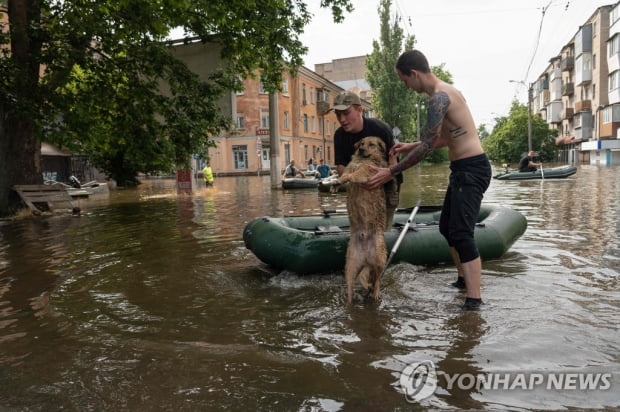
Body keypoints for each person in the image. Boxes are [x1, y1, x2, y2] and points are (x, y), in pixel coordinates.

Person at [367, 49, 492, 310]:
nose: (406, 86)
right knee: (447, 228)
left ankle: (474, 300)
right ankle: (462, 281)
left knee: (461, 233)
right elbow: (446, 138)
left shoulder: (438, 99)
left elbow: (426, 147)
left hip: (472, 169)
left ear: (414, 74)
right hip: (462, 169)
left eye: (404, 80)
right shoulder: (448, 93)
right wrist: (410, 145)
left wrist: (391, 171)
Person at [332, 90, 401, 229]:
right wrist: (354, 178)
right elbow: (340, 165)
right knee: (360, 229)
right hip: (358, 186)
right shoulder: (339, 135)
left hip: (386, 186)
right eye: (338, 114)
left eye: (346, 113)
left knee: (380, 230)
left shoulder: (380, 129)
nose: (342, 119)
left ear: (359, 110)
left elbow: (394, 162)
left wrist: (383, 177)